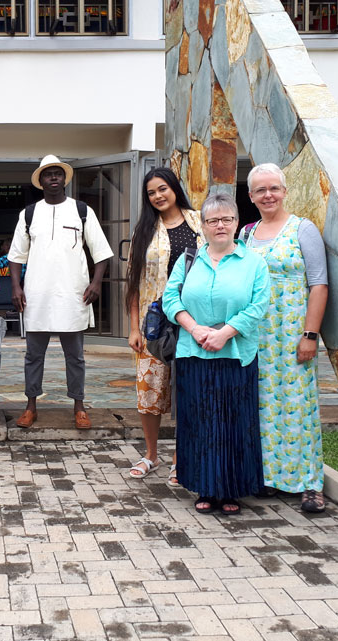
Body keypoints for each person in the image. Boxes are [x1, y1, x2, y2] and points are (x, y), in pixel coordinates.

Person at [162, 194, 270, 515]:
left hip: (236, 354)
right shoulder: (188, 259)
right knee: (200, 421)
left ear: (237, 223)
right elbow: (170, 299)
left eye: (226, 219)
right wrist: (195, 329)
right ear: (204, 226)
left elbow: (258, 306)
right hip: (193, 353)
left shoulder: (254, 263)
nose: (220, 225)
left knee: (234, 422)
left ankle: (231, 490)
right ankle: (205, 487)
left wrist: (225, 332)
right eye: (212, 220)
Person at [241, 163, 329, 513]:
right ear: (250, 197)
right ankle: (272, 478)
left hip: (293, 335)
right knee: (264, 407)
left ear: (285, 190)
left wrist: (310, 334)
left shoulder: (302, 230)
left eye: (274, 188)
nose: (268, 195)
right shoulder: (246, 233)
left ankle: (309, 483)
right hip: (256, 337)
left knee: (299, 406)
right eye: (260, 190)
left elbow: (319, 284)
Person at [7, 154, 114, 430]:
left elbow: (101, 252)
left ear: (64, 179)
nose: (53, 178)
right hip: (37, 295)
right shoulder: (29, 214)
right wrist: (16, 287)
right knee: (33, 355)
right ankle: (31, 405)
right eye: (47, 174)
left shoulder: (81, 210)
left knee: (75, 356)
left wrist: (96, 282)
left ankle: (79, 406)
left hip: (73, 295)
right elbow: (16, 256)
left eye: (57, 173)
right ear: (40, 181)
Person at [124, 168, 202, 480]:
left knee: (188, 391)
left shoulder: (199, 223)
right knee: (149, 391)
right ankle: (151, 455)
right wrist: (133, 328)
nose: (158, 196)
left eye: (162, 189)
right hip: (153, 323)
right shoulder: (143, 231)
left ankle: (181, 458)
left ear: (174, 188)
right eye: (151, 192)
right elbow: (133, 283)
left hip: (194, 320)